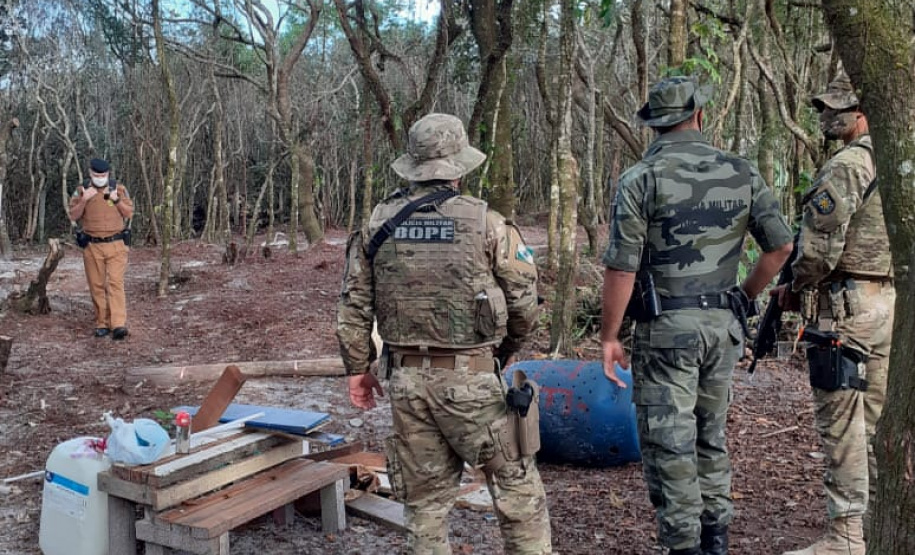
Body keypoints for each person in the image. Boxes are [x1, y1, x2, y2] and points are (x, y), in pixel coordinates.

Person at [336, 113, 552, 554]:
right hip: (471, 381)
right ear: (459, 167)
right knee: (518, 495)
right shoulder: (489, 224)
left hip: (407, 385)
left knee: (424, 507)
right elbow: (524, 307)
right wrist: (504, 352)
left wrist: (357, 368)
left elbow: (353, 304)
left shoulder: (377, 225)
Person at [600, 76, 793, 555]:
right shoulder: (742, 171)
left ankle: (684, 545)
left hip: (667, 329)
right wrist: (743, 298)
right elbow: (782, 247)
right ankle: (716, 538)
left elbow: (622, 265)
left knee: (670, 444)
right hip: (722, 326)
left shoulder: (640, 179)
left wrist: (609, 336)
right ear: (699, 117)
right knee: (711, 433)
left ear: (655, 127)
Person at [772, 73, 893, 555]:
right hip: (888, 303)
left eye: (838, 108)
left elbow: (820, 249)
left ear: (863, 112)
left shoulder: (848, 165)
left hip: (848, 307)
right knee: (879, 422)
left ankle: (846, 536)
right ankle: (879, 527)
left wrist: (795, 285)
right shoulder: (896, 159)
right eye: (823, 108)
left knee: (844, 421)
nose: (827, 116)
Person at [69, 158, 134, 340]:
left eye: (103, 175)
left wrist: (116, 200)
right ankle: (102, 323)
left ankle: (118, 324)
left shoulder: (117, 189)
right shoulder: (82, 190)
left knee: (115, 283)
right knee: (96, 285)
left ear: (108, 174)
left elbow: (129, 213)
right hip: (92, 245)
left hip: (116, 243)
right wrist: (84, 200)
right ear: (90, 173)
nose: (100, 178)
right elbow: (73, 215)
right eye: (97, 175)